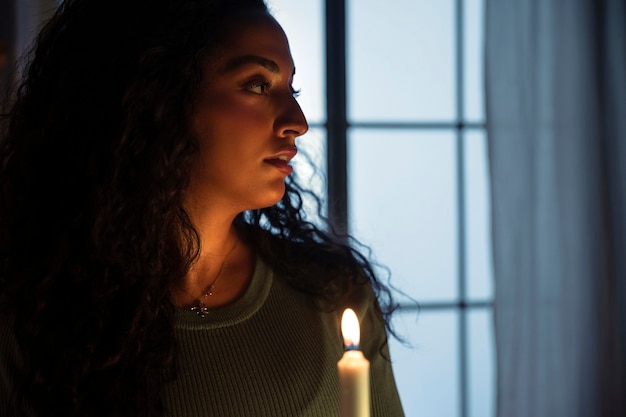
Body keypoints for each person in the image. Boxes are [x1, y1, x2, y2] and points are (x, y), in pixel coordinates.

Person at [0, 0, 406, 416]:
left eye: (291, 89)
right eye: (257, 85)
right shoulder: (32, 314)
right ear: (153, 99)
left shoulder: (334, 294)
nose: (297, 120)